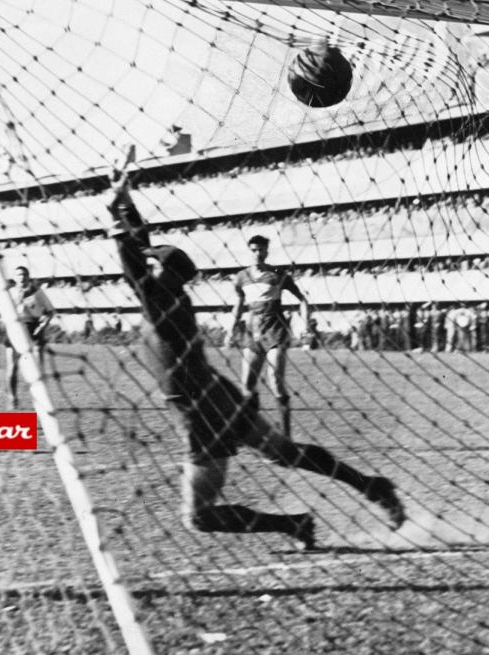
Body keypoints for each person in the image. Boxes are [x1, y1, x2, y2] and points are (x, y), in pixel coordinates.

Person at [108, 167, 404, 550]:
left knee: (197, 517)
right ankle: (370, 485)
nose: (149, 267)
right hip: (220, 394)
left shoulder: (160, 301)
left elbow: (133, 265)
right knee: (284, 452)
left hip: (199, 412)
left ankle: (293, 525)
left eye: (154, 263)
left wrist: (117, 215)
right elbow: (140, 259)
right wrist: (125, 201)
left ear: (162, 272)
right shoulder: (173, 295)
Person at [230, 234, 309, 437]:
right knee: (247, 384)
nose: (257, 254)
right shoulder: (241, 277)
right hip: (252, 331)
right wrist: (231, 328)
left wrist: (305, 325)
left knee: (275, 380)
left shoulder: (278, 274)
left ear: (267, 251)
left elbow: (302, 300)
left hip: (276, 329)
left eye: (261, 250)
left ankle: (286, 435)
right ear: (249, 252)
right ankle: (253, 431)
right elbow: (239, 303)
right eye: (254, 250)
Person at [2, 265, 56, 410]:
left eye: (24, 274)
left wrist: (42, 327)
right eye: (18, 274)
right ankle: (12, 398)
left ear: (28, 276)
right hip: (14, 329)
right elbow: (2, 312)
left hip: (33, 328)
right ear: (14, 277)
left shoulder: (37, 293)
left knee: (38, 368)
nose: (22, 277)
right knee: (12, 367)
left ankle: (40, 399)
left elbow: (50, 312)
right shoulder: (10, 293)